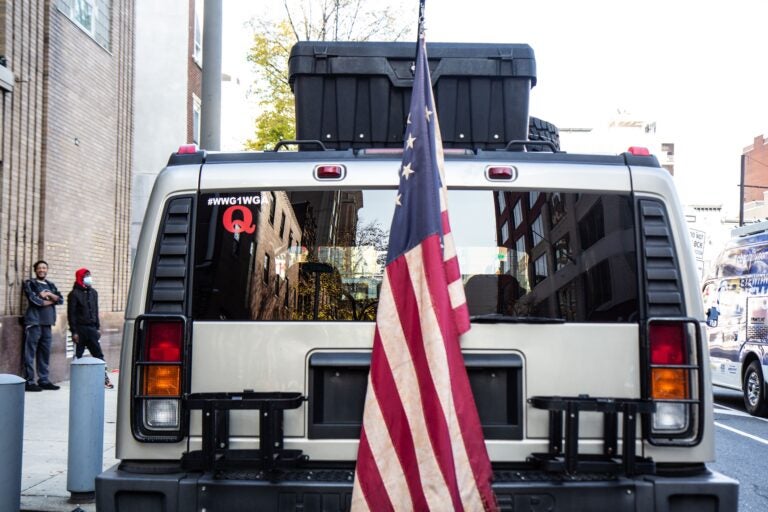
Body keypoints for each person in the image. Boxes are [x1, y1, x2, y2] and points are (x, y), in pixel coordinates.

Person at [67, 268, 113, 389]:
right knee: (78, 356)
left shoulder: (93, 293)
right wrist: (74, 331)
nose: (89, 278)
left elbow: (96, 311)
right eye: (86, 276)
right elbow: (71, 314)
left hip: (92, 329)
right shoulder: (74, 294)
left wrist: (97, 328)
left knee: (98, 355)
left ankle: (104, 379)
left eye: (89, 275)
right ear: (80, 278)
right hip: (80, 330)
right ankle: (77, 381)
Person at [23, 260, 64, 391]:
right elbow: (35, 301)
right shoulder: (30, 283)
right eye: (39, 268)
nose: (42, 270)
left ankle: (44, 380)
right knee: (30, 353)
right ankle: (29, 381)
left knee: (44, 353)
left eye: (44, 268)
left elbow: (61, 299)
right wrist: (52, 300)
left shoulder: (50, 285)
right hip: (34, 322)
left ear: (47, 270)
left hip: (47, 323)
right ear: (35, 270)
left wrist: (49, 295)